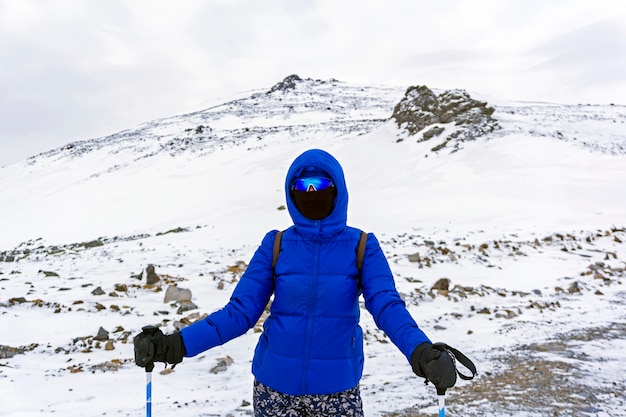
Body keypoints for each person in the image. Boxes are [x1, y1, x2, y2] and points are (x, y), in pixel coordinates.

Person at [134, 148, 458, 416]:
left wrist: (420, 351)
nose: (312, 193)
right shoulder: (276, 244)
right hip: (274, 393)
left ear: (338, 189)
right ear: (291, 192)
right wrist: (176, 345)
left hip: (337, 395)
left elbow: (387, 306)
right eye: (303, 187)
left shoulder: (362, 246)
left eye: (320, 184)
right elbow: (239, 313)